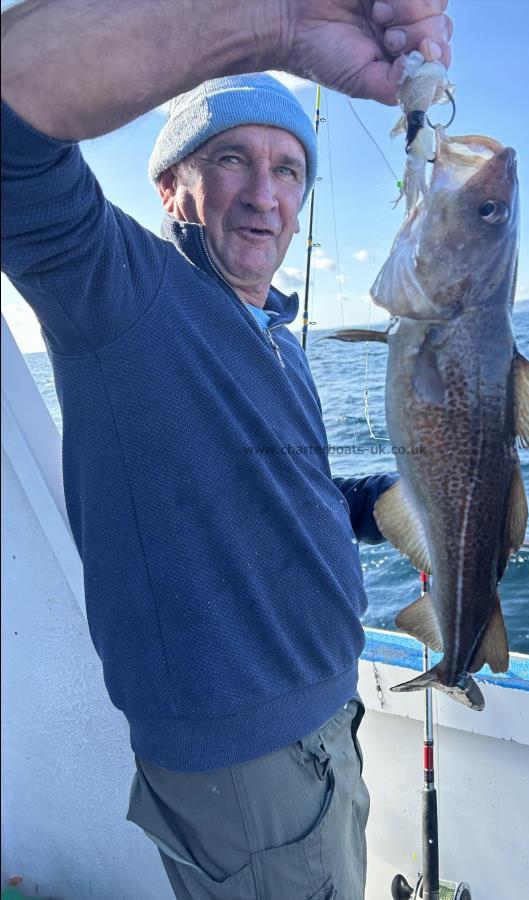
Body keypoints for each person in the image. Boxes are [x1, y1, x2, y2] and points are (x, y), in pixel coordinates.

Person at [1, 2, 452, 898]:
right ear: (170, 189)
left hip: (321, 724)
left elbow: (276, 484)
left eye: (289, 169)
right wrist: (281, 27)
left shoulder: (273, 328)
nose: (265, 194)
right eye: (230, 159)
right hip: (247, 763)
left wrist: (380, 505)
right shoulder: (119, 290)